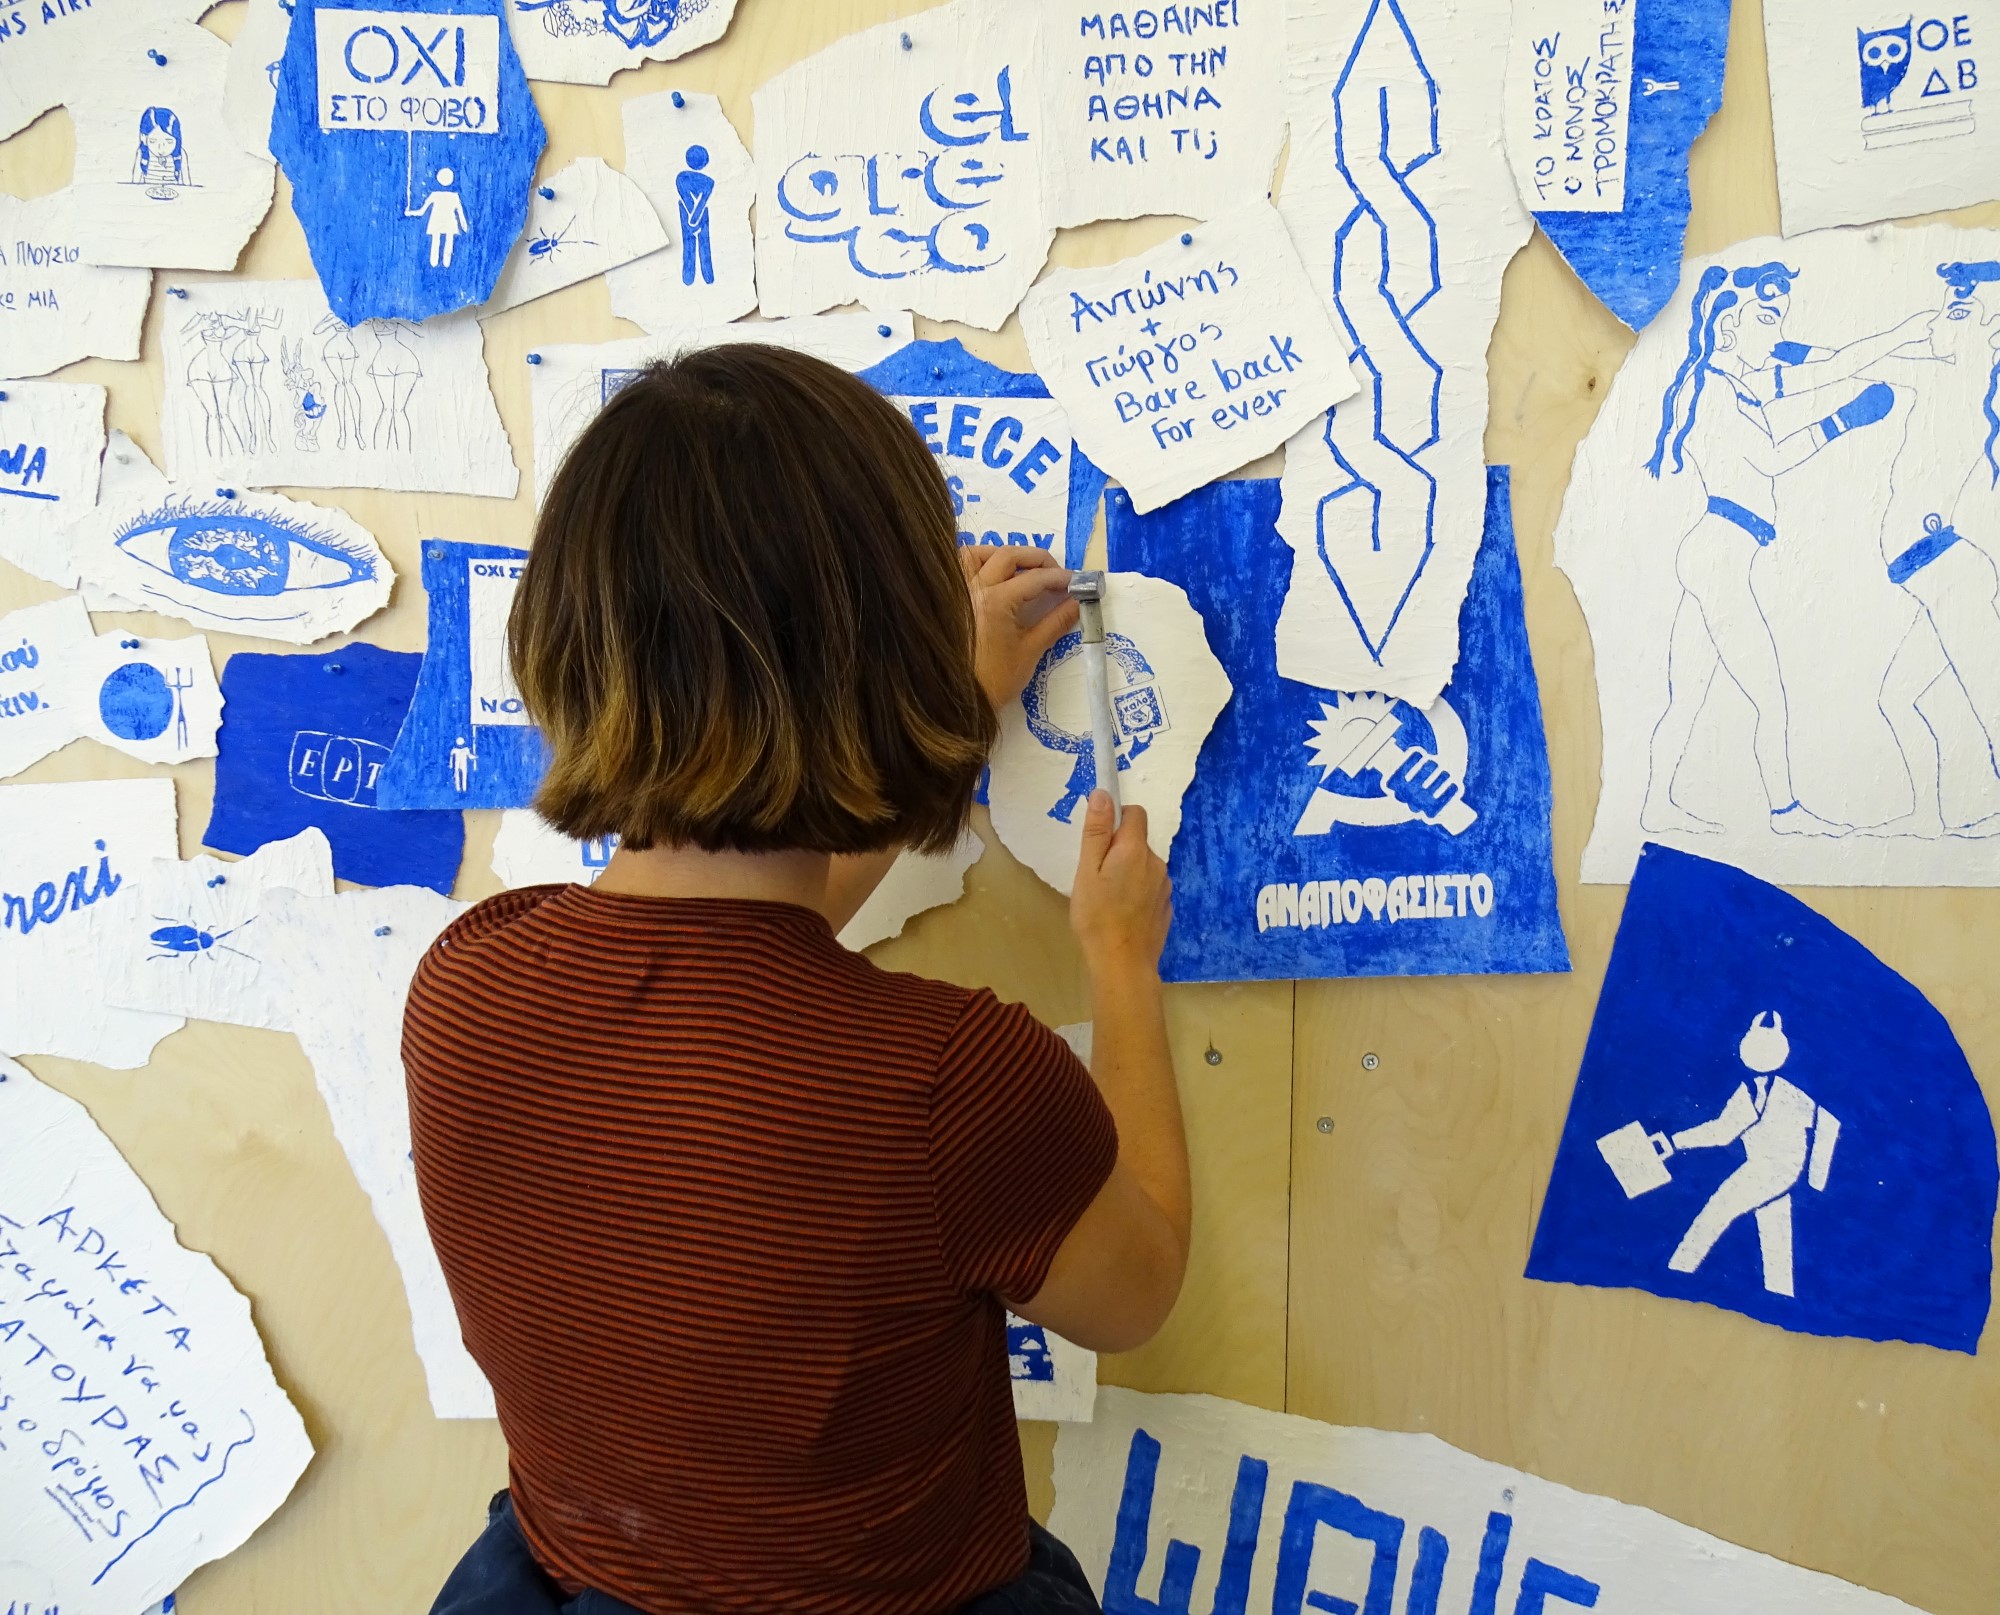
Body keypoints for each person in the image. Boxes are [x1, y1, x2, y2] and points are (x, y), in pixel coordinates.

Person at [403, 346, 1189, 1615]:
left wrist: (945, 717)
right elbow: (1134, 1290)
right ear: (891, 656)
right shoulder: (950, 1081)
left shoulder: (465, 984)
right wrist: (1119, 962)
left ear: (561, 638)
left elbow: (731, 950)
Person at [1641, 261, 1925, 838]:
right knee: (1768, 695)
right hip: (1720, 554)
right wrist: (1843, 421)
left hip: (1716, 551)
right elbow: (1770, 461)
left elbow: (1832, 366)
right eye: (1768, 319)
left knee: (1687, 697)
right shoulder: (1716, 390)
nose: (1778, 334)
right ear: (1728, 328)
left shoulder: (1742, 386)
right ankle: (1785, 814)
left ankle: (1656, 806)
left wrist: (1901, 335)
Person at [1664, 1012, 1839, 1299]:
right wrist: (1814, 1176)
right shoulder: (1781, 1091)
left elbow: (1722, 1132)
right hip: (1783, 1172)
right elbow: (1828, 1123)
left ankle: (1678, 1271)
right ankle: (1780, 1294)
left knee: (1716, 1211)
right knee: (1775, 1236)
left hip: (1768, 1170)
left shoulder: (1761, 1092)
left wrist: (1674, 1143)